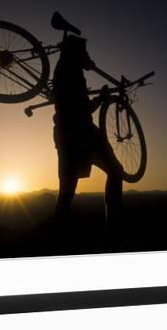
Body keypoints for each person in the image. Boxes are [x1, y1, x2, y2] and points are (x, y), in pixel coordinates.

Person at [52, 34, 123, 229]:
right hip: (81, 133)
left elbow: (77, 106)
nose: (86, 55)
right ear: (75, 52)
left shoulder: (65, 69)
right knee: (115, 172)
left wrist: (99, 98)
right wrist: (101, 98)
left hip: (68, 134)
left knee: (66, 192)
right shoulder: (69, 71)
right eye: (83, 51)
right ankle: (113, 230)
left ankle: (54, 238)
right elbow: (81, 109)